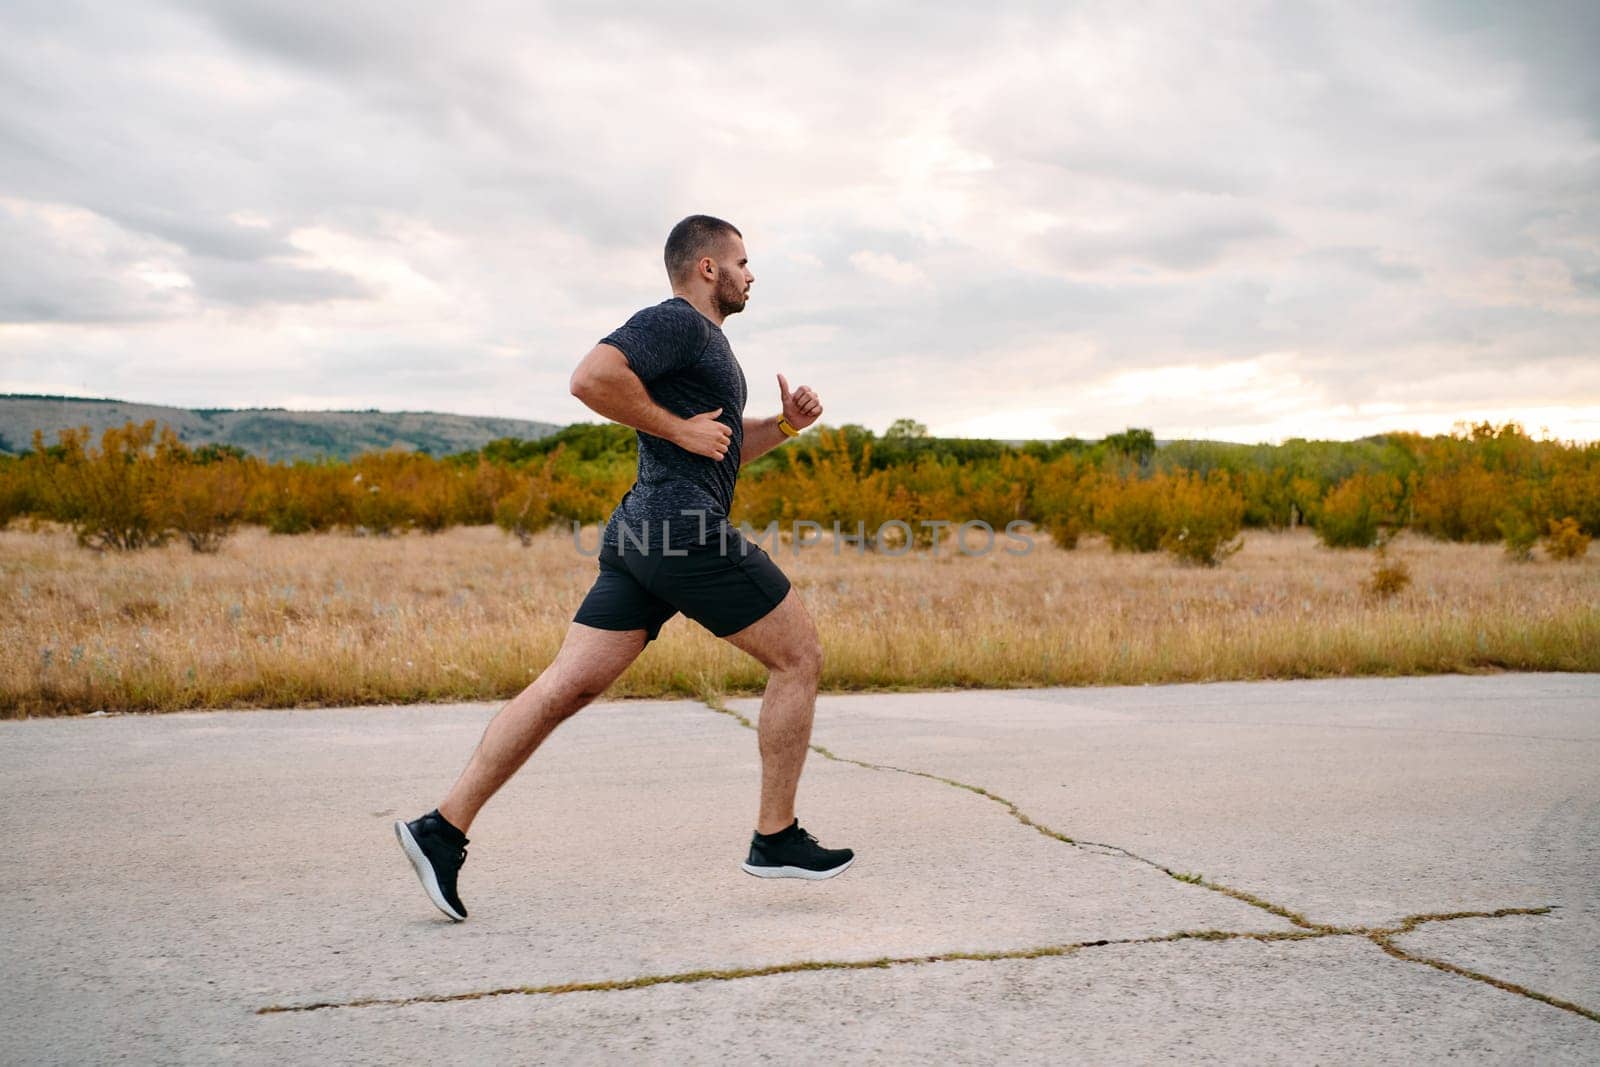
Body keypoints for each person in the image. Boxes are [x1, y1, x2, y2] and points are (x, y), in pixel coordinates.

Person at [395, 215, 853, 921]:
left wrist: (786, 425)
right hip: (682, 532)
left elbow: (720, 449)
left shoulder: (710, 350)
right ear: (706, 267)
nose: (751, 274)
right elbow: (589, 378)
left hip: (641, 535)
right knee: (799, 655)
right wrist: (673, 427)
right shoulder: (678, 324)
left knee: (563, 688)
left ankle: (441, 827)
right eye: (742, 260)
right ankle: (775, 835)